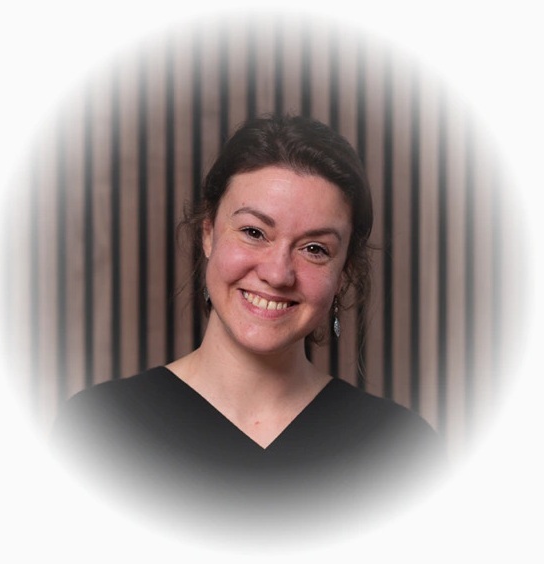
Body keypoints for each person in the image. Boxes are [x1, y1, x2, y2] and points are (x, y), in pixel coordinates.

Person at [51, 114, 446, 544]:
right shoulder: (98, 429)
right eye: (254, 232)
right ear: (208, 234)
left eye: (315, 249)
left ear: (343, 273)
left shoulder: (402, 451)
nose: (277, 273)